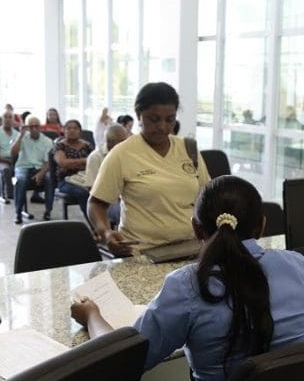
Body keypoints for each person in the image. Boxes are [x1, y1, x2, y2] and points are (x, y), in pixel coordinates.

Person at [72, 175, 304, 381]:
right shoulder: (298, 264)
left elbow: (121, 363)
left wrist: (92, 316)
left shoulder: (187, 285)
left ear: (196, 228)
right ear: (262, 226)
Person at [88, 82, 211, 256]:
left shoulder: (188, 149)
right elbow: (96, 204)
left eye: (170, 119)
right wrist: (107, 232)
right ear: (139, 115)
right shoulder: (122, 154)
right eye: (154, 119)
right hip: (142, 253)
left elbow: (207, 196)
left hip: (189, 249)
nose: (162, 126)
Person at [11, 115, 54, 224]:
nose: (34, 129)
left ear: (40, 127)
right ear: (27, 127)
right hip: (23, 167)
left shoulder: (47, 141)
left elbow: (47, 162)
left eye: (36, 126)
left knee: (49, 178)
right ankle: (18, 213)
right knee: (20, 180)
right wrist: (20, 135)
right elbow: (13, 152)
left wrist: (41, 173)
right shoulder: (22, 138)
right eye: (31, 127)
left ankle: (48, 211)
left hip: (40, 168)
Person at [53, 119, 93, 217]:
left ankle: (107, 220)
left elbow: (93, 162)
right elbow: (63, 163)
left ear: (80, 131)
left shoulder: (87, 145)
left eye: (75, 128)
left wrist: (72, 163)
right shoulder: (60, 146)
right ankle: (94, 225)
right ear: (64, 131)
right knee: (83, 193)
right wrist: (84, 161)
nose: (72, 131)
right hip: (65, 181)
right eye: (68, 128)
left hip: (85, 177)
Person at [0, 109, 20, 202]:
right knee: (6, 169)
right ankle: (10, 193)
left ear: (13, 120)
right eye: (5, 117)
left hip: (16, 159)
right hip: (2, 160)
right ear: (2, 119)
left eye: (10, 117)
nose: (8, 119)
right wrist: (7, 160)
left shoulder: (17, 134)